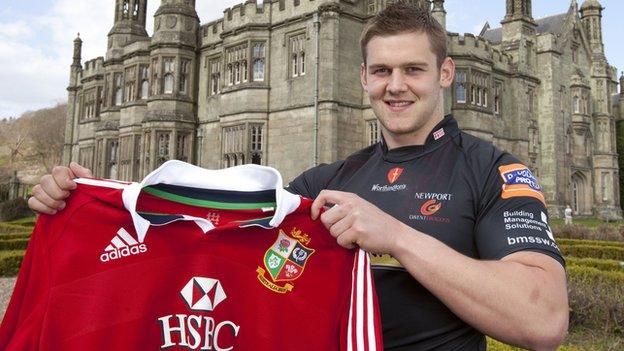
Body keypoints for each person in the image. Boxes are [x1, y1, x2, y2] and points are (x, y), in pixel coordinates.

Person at [28, 3, 568, 350]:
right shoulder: (327, 180)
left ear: (445, 74)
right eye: (381, 71)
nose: (395, 86)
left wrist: (398, 238)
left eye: (414, 69)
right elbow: (212, 231)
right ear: (363, 78)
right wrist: (96, 203)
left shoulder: (494, 171)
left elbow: (542, 320)